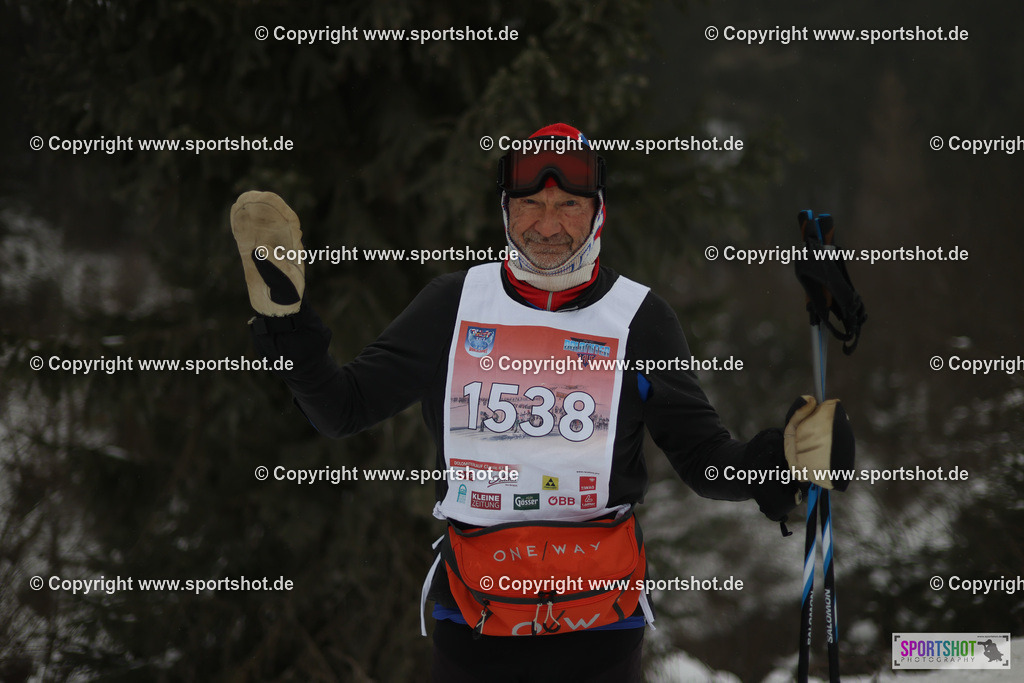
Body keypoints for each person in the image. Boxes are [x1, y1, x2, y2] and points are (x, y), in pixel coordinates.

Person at [229, 123, 852, 682]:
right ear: (506, 208)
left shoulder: (638, 320)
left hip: (598, 637)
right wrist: (286, 323)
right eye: (530, 203)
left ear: (596, 211)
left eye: (567, 205)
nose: (547, 225)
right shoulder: (455, 304)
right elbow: (341, 409)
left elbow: (704, 460)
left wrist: (781, 461)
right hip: (474, 627)